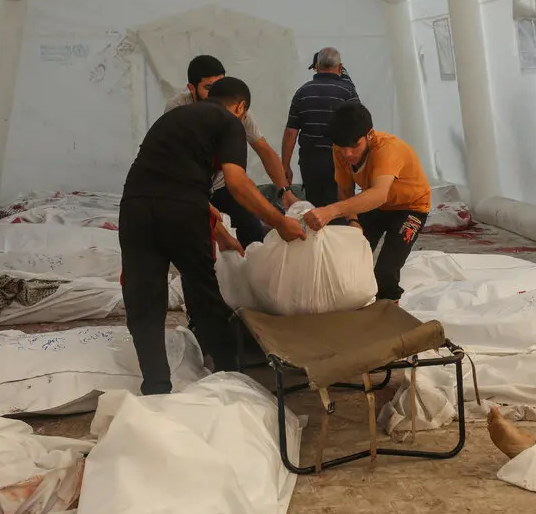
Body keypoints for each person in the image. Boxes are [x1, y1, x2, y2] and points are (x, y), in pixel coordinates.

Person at [121, 76, 305, 395]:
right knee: (202, 289)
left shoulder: (173, 118)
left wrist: (219, 232)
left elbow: (170, 177)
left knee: (144, 297)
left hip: (134, 207)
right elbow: (236, 182)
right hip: (181, 210)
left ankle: (155, 385)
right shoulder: (229, 122)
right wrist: (278, 221)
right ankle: (231, 375)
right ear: (240, 107)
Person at [303, 101, 431, 303]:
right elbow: (345, 189)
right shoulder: (340, 150)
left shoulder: (388, 148)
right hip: (376, 205)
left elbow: (379, 194)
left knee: (386, 269)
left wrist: (330, 211)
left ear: (369, 135)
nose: (348, 154)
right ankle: (354, 303)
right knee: (353, 254)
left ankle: (389, 309)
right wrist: (353, 220)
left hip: (411, 207)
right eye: (342, 147)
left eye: (355, 146)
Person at [165, 55, 296, 247]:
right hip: (184, 188)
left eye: (222, 85)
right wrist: (279, 221)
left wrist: (285, 191)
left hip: (219, 186)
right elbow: (234, 183)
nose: (218, 93)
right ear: (192, 88)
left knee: (250, 230)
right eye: (210, 88)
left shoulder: (237, 114)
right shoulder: (179, 111)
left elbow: (263, 151)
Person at [282, 47, 360, 208]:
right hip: (341, 159)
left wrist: (285, 165)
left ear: (317, 66)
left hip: (310, 161)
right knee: (341, 207)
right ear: (340, 67)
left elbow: (291, 132)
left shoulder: (302, 92)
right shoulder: (348, 92)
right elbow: (358, 126)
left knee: (315, 209)